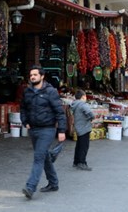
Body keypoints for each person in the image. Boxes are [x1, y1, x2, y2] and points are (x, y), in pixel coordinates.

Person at [20, 65, 67, 200]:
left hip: (47, 129)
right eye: (31, 75)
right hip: (33, 129)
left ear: (42, 76)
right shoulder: (27, 91)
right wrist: (25, 121)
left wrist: (61, 130)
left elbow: (59, 112)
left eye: (35, 75)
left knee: (38, 157)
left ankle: (30, 187)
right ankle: (53, 183)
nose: (32, 77)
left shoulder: (50, 91)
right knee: (45, 157)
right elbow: (23, 108)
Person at [70, 90, 95, 171]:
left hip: (78, 127)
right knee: (84, 146)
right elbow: (90, 113)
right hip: (84, 127)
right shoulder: (82, 104)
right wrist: (90, 118)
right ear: (83, 97)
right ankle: (82, 163)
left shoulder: (74, 104)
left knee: (79, 145)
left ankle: (76, 162)